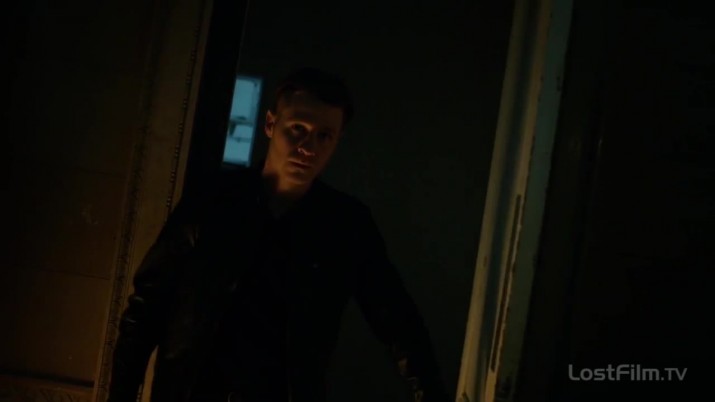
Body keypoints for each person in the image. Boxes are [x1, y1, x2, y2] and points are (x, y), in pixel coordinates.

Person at [108, 67, 451, 402]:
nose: (308, 147)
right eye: (298, 129)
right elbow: (147, 306)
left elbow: (396, 319)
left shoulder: (346, 226)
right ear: (271, 124)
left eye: (324, 136)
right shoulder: (213, 202)